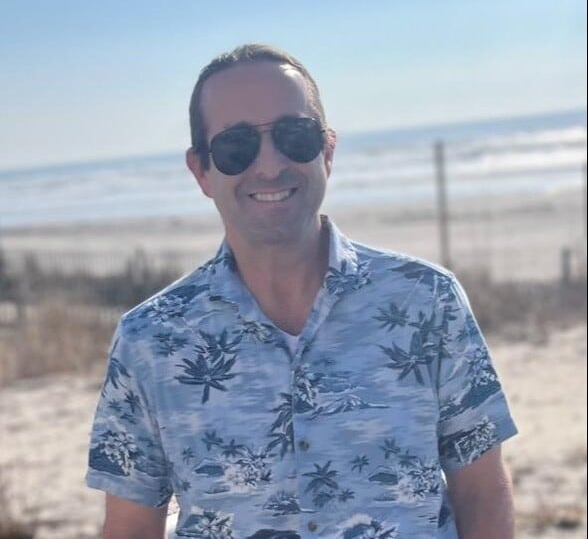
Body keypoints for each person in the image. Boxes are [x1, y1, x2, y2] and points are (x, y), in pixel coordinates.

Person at [86, 43, 517, 539]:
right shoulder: (149, 340)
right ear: (201, 171)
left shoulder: (427, 301)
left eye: (295, 135)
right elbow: (131, 525)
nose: (270, 165)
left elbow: (481, 490)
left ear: (327, 151)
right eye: (236, 145)